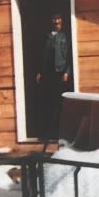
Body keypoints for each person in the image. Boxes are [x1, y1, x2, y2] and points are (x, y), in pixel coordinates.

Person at [35, 12, 72, 141]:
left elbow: (69, 56)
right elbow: (42, 56)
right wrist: (40, 71)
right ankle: (48, 134)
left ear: (62, 21)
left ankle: (61, 133)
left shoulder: (65, 36)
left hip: (60, 74)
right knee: (48, 103)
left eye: (59, 20)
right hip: (48, 75)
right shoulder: (47, 37)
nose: (56, 23)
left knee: (60, 103)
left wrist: (67, 72)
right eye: (54, 20)